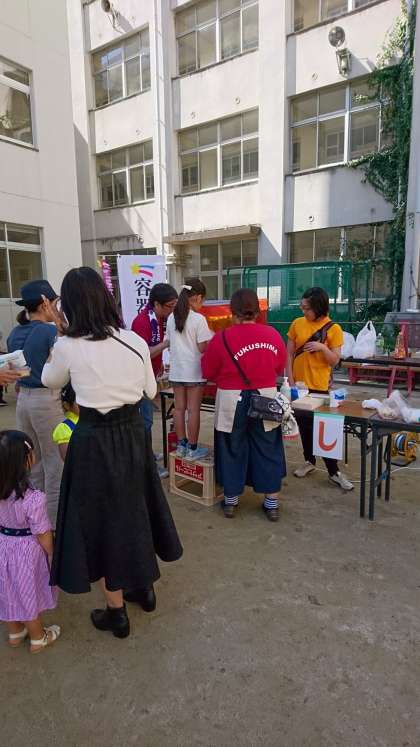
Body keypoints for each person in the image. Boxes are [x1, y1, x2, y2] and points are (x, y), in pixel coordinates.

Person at [42, 267, 183, 639]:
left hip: (94, 440)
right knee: (135, 509)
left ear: (70, 305)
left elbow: (49, 380)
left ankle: (116, 611)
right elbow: (151, 391)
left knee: (102, 520)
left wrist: (60, 334)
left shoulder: (68, 345)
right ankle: (144, 590)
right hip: (133, 435)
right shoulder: (133, 340)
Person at [202, 288, 287, 522]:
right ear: (257, 312)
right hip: (266, 397)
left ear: (233, 312)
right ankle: (271, 503)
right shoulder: (272, 335)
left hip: (231, 400)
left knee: (231, 446)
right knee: (268, 447)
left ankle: (231, 500)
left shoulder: (221, 338)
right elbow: (279, 367)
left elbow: (208, 371)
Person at [7, 280, 64, 524]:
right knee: (55, 463)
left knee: (33, 462)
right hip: (47, 401)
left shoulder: (14, 333)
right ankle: (54, 522)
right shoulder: (50, 332)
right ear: (44, 304)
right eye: (54, 303)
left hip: (23, 401)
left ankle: (35, 517)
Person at [286, 287, 353, 491]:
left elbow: (334, 361)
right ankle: (309, 461)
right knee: (304, 427)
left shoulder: (334, 329)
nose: (303, 311)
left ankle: (334, 472)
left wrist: (322, 347)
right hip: (299, 387)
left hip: (320, 387)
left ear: (318, 307)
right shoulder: (297, 324)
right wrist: (290, 381)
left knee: (325, 430)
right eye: (302, 307)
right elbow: (289, 354)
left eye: (307, 308)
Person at [0, 430, 60, 654]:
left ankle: (15, 632)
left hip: (3, 546)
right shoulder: (33, 499)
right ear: (27, 460)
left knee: (7, 589)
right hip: (26, 552)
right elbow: (42, 533)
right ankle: (38, 637)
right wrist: (52, 553)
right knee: (27, 593)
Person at [131, 282, 178, 476]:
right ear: (156, 304)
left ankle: (147, 454)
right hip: (139, 378)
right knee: (145, 421)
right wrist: (167, 343)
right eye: (170, 306)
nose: (172, 310)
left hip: (150, 375)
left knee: (147, 420)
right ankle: (147, 464)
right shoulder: (142, 322)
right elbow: (146, 353)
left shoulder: (158, 318)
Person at [166, 279, 213, 461]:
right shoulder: (198, 319)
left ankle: (181, 447)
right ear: (198, 297)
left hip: (177, 371)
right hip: (194, 372)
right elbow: (202, 348)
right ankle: (193, 449)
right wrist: (211, 338)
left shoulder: (172, 317)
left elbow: (170, 343)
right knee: (193, 410)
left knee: (179, 409)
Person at [52, 383, 80, 461]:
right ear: (67, 405)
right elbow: (67, 458)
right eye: (79, 402)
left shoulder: (95, 419)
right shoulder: (65, 428)